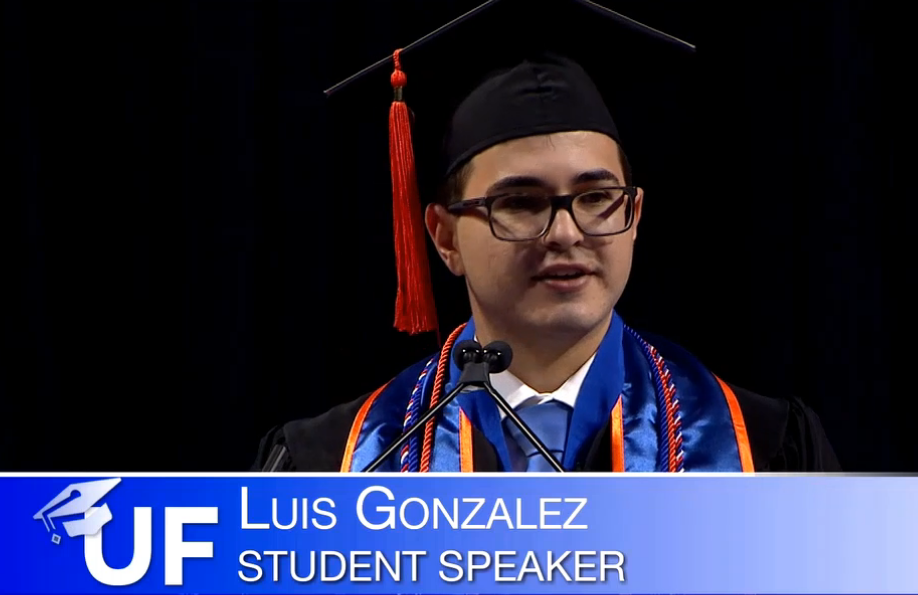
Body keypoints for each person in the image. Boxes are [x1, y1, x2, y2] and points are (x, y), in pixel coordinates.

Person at [252, 0, 840, 473]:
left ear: (634, 214)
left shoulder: (767, 451)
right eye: (519, 203)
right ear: (444, 236)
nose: (565, 233)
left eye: (595, 198)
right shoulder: (333, 464)